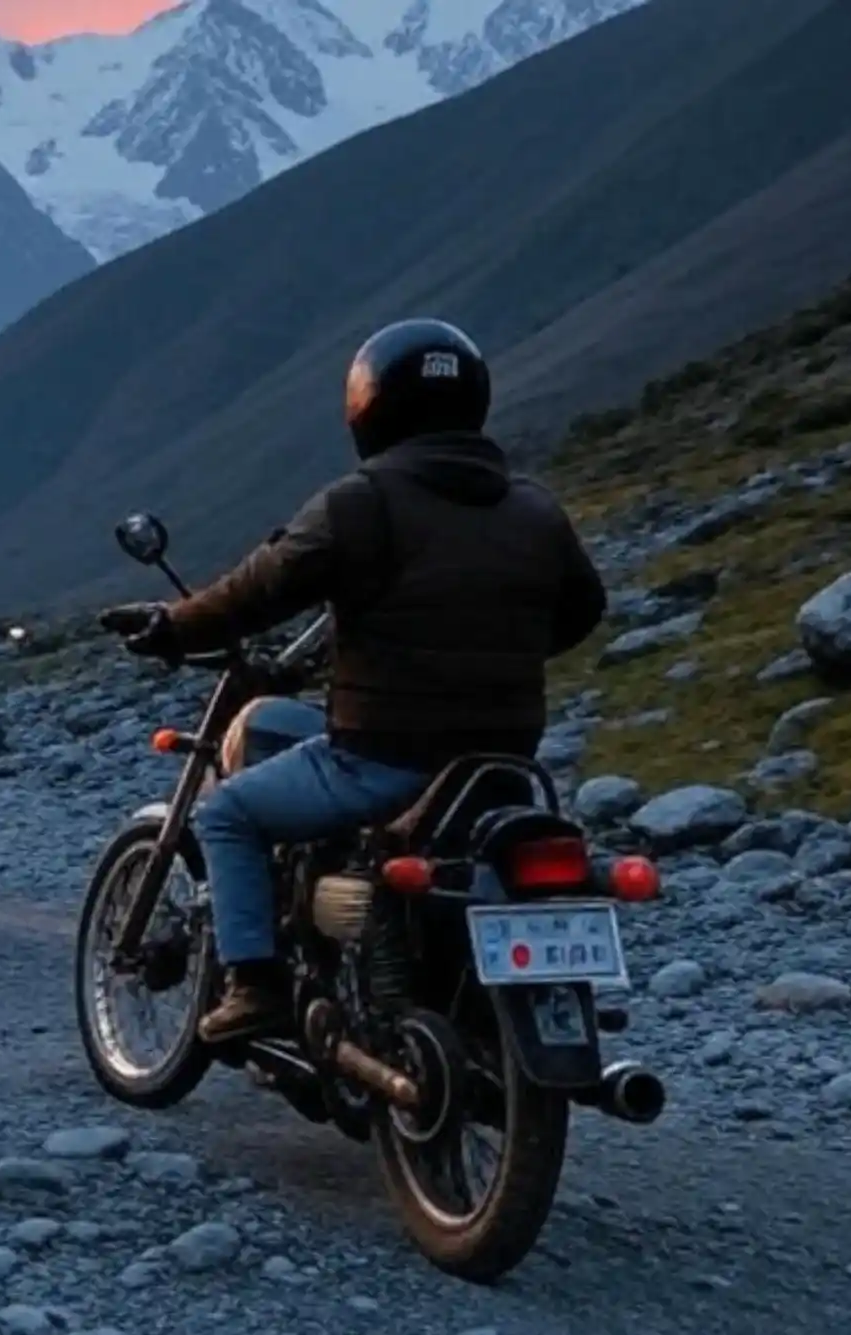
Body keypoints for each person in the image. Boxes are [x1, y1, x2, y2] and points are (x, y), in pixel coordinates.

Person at [104, 319, 607, 1043]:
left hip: (382, 761)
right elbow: (581, 610)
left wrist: (172, 625)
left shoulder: (362, 502)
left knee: (227, 815)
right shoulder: (534, 508)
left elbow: (257, 590)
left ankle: (257, 984)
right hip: (501, 768)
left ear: (371, 405)